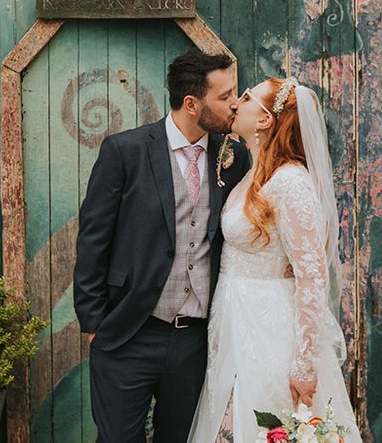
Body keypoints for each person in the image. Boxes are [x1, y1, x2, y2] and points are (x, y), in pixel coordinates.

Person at [73, 48, 250, 442]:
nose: (235, 104)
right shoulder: (125, 151)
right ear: (192, 103)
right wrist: (94, 325)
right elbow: (92, 240)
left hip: (194, 341)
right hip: (129, 332)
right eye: (225, 96)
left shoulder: (233, 156)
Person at [189, 77, 362, 442]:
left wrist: (304, 365)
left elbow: (312, 277)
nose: (237, 103)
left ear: (266, 120)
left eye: (247, 97)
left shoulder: (291, 183)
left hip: (268, 330)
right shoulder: (252, 174)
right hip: (233, 320)